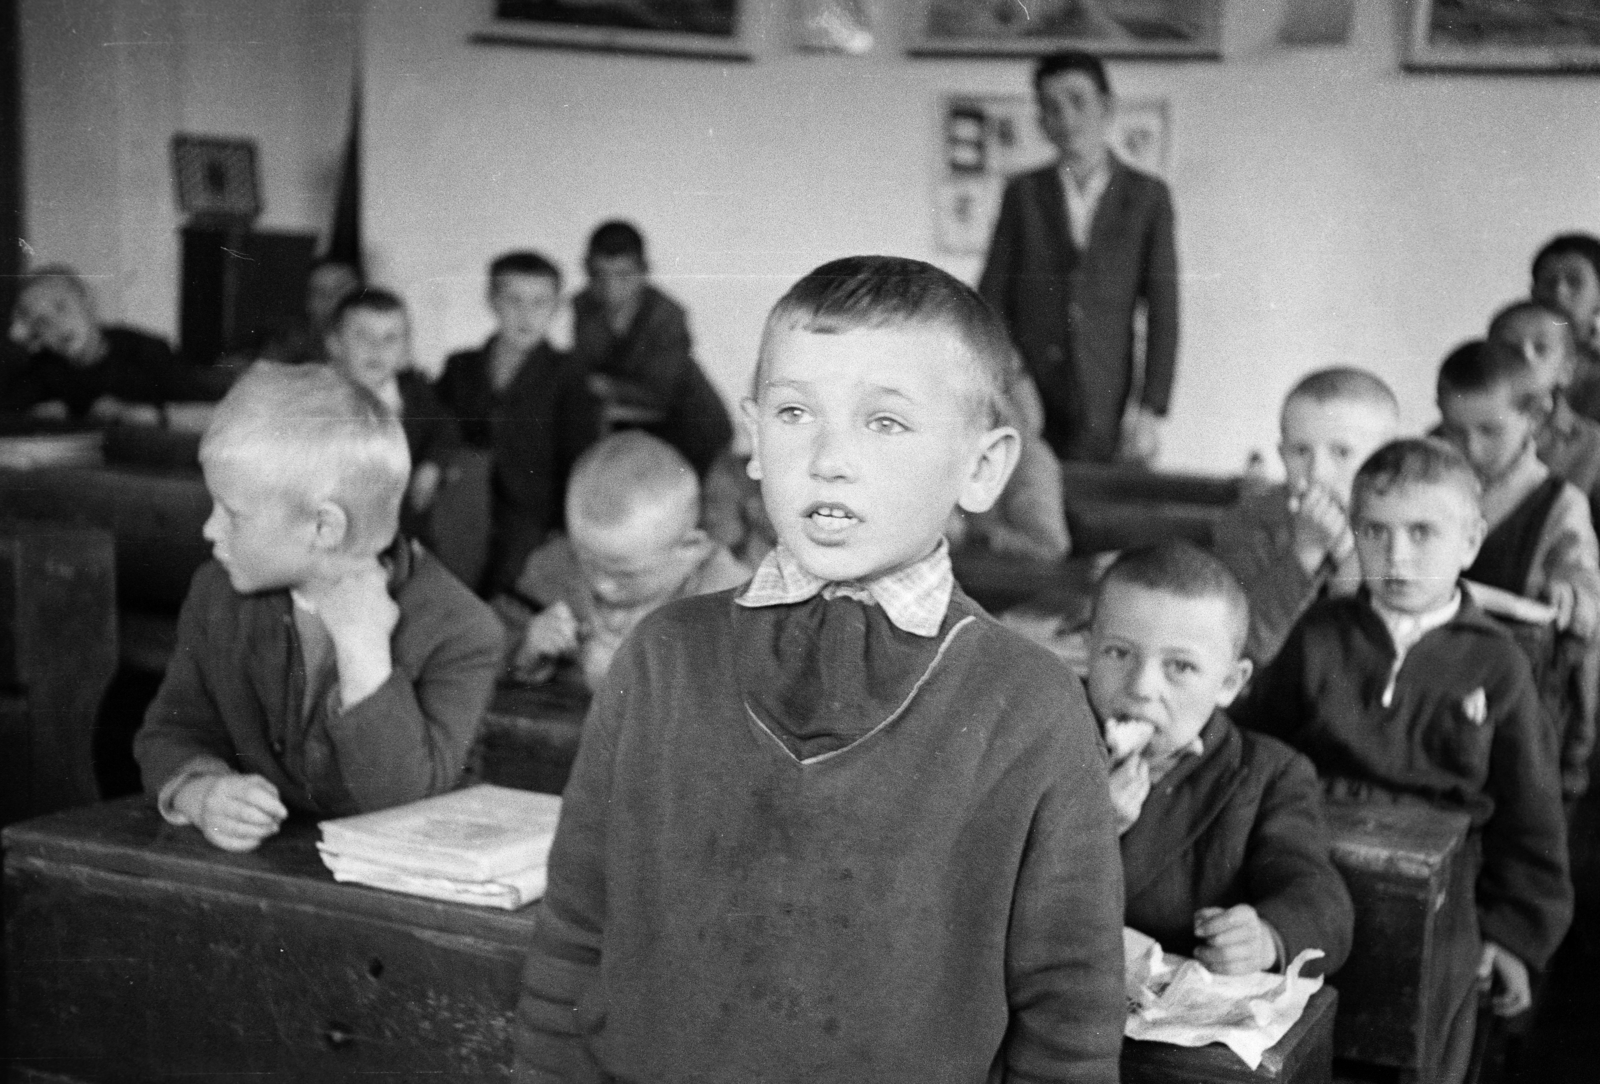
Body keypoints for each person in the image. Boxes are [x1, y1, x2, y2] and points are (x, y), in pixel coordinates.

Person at [513, 256, 1125, 1082]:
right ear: (754, 437)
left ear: (983, 467)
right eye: (796, 411)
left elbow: (1070, 1022)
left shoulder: (1029, 704)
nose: (830, 456)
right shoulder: (660, 657)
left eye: (885, 421)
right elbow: (575, 935)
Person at [1233, 438, 1572, 1084]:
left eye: (1423, 533)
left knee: (1423, 1053)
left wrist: (1513, 936)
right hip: (1313, 868)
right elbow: (1255, 750)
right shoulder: (1322, 632)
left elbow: (1531, 812)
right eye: (1376, 533)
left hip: (1444, 899)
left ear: (1470, 541)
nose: (1398, 556)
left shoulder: (1497, 662)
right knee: (1304, 1046)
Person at [131, 362, 503, 853]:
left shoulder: (463, 631)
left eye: (233, 514)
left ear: (325, 527)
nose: (210, 530)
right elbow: (171, 730)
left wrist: (362, 648)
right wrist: (202, 793)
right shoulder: (217, 594)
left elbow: (402, 806)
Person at [1089, 541, 1352, 977]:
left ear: (1230, 682)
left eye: (1180, 667)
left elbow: (1317, 896)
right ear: (1088, 647)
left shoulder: (1268, 775)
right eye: (1118, 653)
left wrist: (1268, 937)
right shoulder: (1051, 745)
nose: (1141, 686)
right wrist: (1092, 824)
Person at [978, 50, 1178, 464]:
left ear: (1106, 107)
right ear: (1041, 122)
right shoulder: (1023, 194)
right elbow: (990, 302)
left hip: (1107, 391)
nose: (1066, 118)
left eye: (1077, 101)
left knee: (1099, 507)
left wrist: (1151, 408)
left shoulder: (1147, 197)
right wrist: (1012, 378)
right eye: (1051, 107)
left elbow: (1164, 311)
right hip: (1028, 391)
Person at [501, 430, 751, 690]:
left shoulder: (727, 600)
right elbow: (481, 651)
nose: (602, 585)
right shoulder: (555, 566)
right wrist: (525, 649)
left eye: (625, 574)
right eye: (588, 561)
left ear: (690, 548)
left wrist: (630, 678)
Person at [437, 250, 600, 595]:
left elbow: (580, 457)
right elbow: (438, 433)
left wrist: (563, 528)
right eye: (514, 301)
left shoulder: (568, 374)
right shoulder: (461, 367)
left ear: (556, 307)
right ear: (492, 301)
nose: (526, 315)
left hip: (532, 519)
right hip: (464, 512)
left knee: (507, 599)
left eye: (540, 303)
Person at [1212, 368, 1399, 664]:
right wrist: (1305, 553)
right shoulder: (1249, 522)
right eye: (1300, 451)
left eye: (1341, 452)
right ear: (1282, 454)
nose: (1318, 473)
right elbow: (1241, 649)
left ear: (1385, 460)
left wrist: (1354, 562)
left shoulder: (1400, 529)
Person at [1435, 340, 1600, 642]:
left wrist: (1569, 591)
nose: (1472, 448)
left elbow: (1584, 584)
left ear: (1535, 417)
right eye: (1455, 431)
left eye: (1490, 431)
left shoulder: (1561, 503)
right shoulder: (1424, 487)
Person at [570, 219, 734, 476]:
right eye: (600, 275)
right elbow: (581, 376)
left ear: (644, 271)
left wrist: (604, 386)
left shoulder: (668, 315)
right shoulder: (583, 306)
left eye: (623, 275)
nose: (611, 287)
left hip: (694, 430)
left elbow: (661, 395)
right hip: (633, 431)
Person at [324, 287, 461, 540]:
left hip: (402, 532)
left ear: (405, 348)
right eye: (362, 336)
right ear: (334, 343)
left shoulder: (416, 394)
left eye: (390, 338)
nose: (377, 348)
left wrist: (432, 465)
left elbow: (446, 431)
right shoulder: (317, 397)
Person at [3, 265, 208, 423]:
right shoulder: (45, 367)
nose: (57, 325)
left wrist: (139, 414)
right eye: (41, 322)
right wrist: (15, 340)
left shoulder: (145, 351)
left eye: (61, 307)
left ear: (87, 299)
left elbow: (213, 415)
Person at [1489, 299, 1600, 509]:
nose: (1525, 356)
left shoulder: (1592, 444)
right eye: (1510, 347)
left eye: (1541, 348)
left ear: (1566, 370)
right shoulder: (1456, 430)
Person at [1531, 233, 1600, 421]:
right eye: (1548, 282)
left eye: (1575, 282)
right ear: (1533, 292)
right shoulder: (1509, 359)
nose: (1559, 292)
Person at [258, 256, 362, 366]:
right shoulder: (293, 339)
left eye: (341, 288)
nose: (330, 298)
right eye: (319, 292)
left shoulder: (378, 334)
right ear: (308, 303)